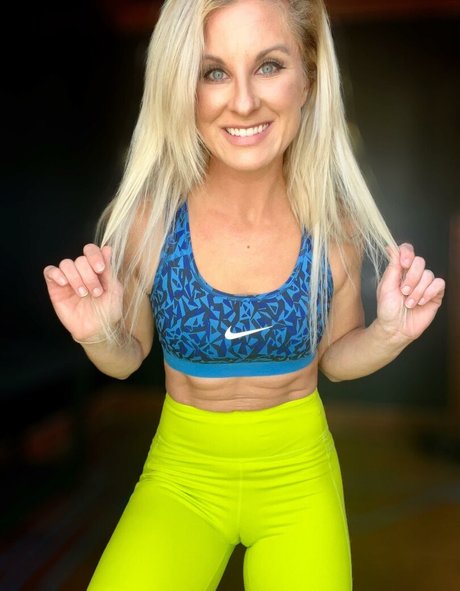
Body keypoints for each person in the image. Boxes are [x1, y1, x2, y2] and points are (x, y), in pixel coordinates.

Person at [43, 0, 445, 589]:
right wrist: (98, 333)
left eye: (268, 66)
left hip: (298, 480)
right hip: (181, 478)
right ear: (182, 88)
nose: (243, 101)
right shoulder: (151, 222)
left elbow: (336, 359)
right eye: (214, 72)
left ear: (309, 75)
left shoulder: (333, 226)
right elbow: (125, 359)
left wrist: (389, 334)